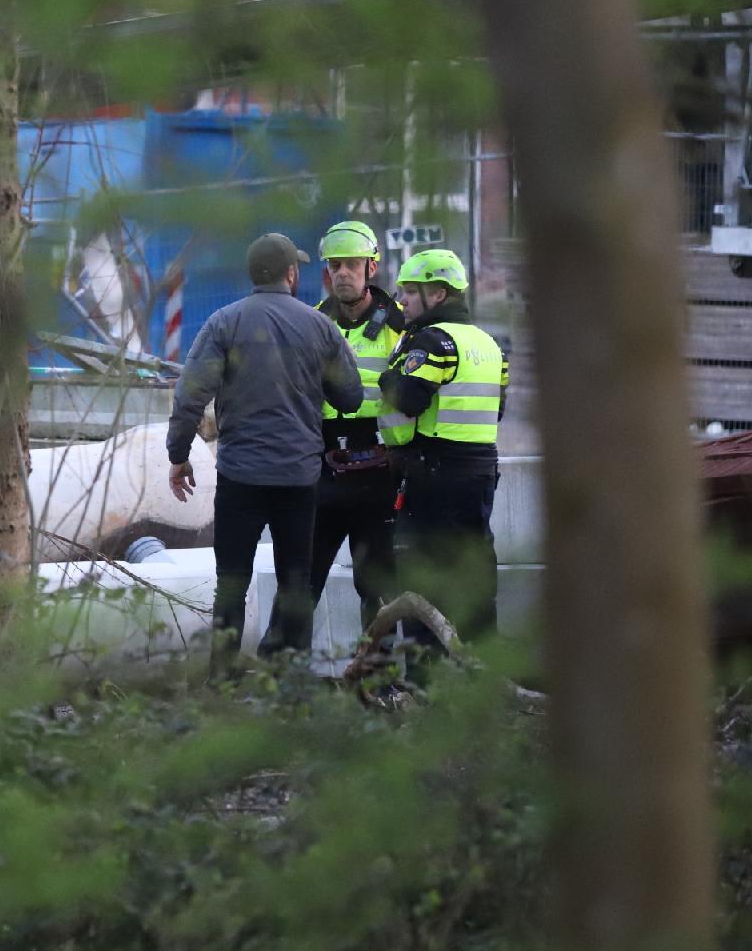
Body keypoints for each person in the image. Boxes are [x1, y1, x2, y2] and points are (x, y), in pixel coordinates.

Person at [167, 233, 363, 666]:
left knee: (232, 582)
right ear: (292, 273)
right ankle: (290, 686)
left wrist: (178, 455)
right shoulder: (320, 327)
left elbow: (189, 397)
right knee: (297, 582)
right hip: (299, 479)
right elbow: (351, 398)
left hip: (240, 479)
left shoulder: (224, 322)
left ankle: (222, 680)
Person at [376, 247, 510, 639]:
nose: (401, 300)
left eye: (409, 292)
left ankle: (422, 682)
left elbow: (408, 399)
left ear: (437, 294)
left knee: (423, 576)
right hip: (481, 473)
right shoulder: (489, 344)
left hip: (435, 473)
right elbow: (497, 411)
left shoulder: (433, 341)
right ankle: (482, 675)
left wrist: (387, 376)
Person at [306, 220, 408, 633]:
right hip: (322, 465)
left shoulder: (399, 326)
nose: (342, 273)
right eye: (335, 265)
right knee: (302, 579)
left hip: (378, 470)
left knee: (377, 584)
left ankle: (377, 681)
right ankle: (282, 677)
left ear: (371, 268)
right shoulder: (310, 321)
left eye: (351, 264)